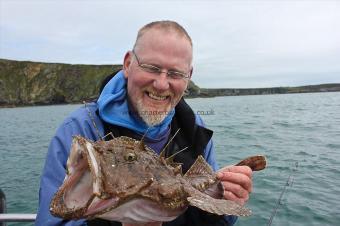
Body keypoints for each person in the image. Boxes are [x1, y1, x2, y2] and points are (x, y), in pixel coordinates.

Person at [35, 20, 252, 226]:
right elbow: (54, 218)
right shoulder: (80, 127)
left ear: (188, 76)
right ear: (128, 64)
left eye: (175, 73)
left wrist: (224, 206)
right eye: (151, 67)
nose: (160, 84)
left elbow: (202, 212)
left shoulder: (194, 127)